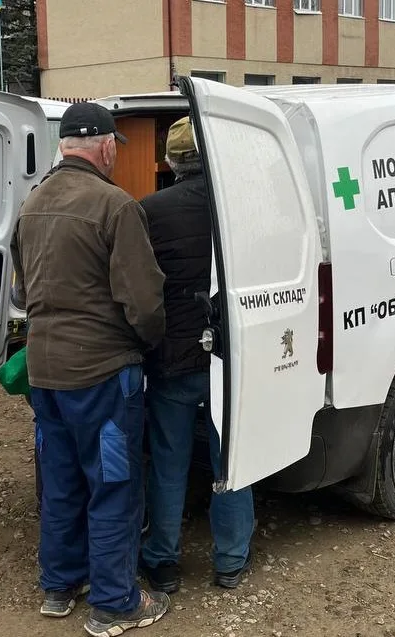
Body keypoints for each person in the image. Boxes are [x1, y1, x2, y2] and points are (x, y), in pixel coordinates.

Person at [12, 102, 169, 637]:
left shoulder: (30, 207)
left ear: (63, 146)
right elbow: (144, 304)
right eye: (114, 148)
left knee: (60, 482)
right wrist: (148, 346)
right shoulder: (116, 207)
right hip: (103, 375)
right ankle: (114, 603)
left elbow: (18, 292)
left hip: (45, 373)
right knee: (113, 485)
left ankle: (59, 587)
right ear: (104, 146)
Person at [137, 116, 255, 594]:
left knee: (169, 461)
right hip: (233, 356)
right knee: (233, 457)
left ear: (169, 161)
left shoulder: (149, 210)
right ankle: (230, 559)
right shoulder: (242, 207)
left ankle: (163, 560)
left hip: (174, 357)